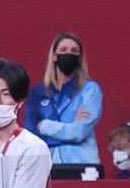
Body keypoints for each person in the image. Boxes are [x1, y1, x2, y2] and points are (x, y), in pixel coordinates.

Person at [24, 33, 103, 168]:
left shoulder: (90, 89)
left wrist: (44, 125)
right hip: (47, 165)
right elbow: (32, 135)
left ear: (80, 58)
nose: (69, 54)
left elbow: (79, 132)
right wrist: (70, 125)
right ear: (54, 56)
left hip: (83, 166)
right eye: (64, 50)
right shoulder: (38, 93)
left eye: (74, 51)